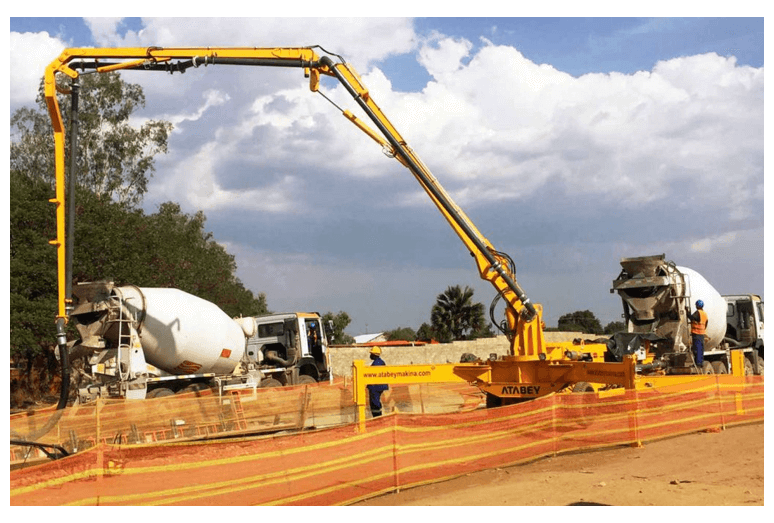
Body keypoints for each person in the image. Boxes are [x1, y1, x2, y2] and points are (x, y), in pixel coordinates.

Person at [366, 347, 389, 417]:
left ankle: (377, 418)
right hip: (377, 386)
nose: (370, 355)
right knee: (375, 403)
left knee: (374, 403)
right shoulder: (380, 361)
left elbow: (373, 375)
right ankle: (377, 417)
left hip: (376, 386)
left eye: (371, 354)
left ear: (374, 354)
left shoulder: (377, 363)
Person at [690, 299, 709, 368]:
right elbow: (706, 323)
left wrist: (687, 312)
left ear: (697, 306)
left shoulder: (697, 313)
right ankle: (700, 363)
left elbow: (692, 318)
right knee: (701, 349)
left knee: (696, 349)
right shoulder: (704, 313)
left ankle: (697, 363)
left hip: (696, 333)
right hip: (702, 333)